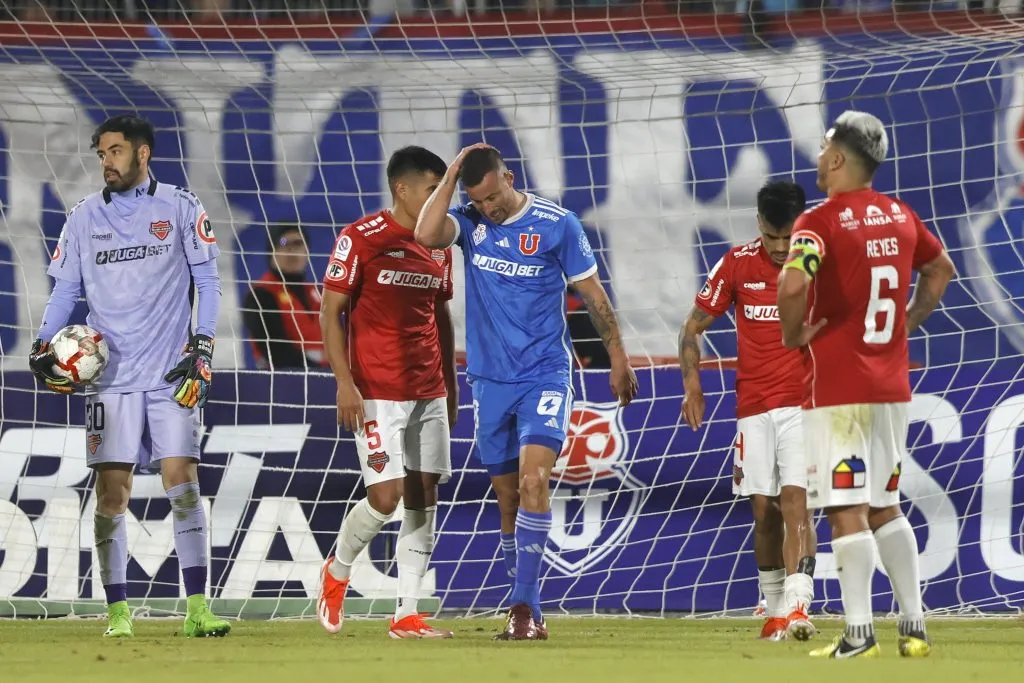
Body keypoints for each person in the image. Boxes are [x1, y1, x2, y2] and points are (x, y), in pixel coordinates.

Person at [414, 144, 639, 640]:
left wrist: (618, 358)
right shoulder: (471, 223)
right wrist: (452, 173)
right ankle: (523, 601)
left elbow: (594, 296)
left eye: (494, 196)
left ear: (509, 177)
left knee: (535, 479)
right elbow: (425, 234)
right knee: (509, 499)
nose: (490, 207)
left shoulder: (559, 225)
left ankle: (525, 609)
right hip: (490, 381)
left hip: (545, 374)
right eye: (481, 199)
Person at [29, 114, 230, 638]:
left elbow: (208, 282)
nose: (106, 162)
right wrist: (41, 343)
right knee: (111, 495)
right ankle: (117, 612)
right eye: (100, 154)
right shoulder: (82, 218)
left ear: (143, 154)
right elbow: (65, 292)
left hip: (170, 372)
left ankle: (198, 608)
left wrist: (202, 348)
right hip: (108, 379)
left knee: (182, 482)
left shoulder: (182, 208)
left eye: (115, 152)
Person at [777, 110, 955, 658]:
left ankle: (858, 633)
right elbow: (941, 267)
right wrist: (906, 322)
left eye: (825, 146)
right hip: (891, 384)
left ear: (837, 158)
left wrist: (792, 333)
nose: (819, 157)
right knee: (885, 504)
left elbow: (791, 282)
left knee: (844, 507)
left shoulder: (819, 222)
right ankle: (915, 627)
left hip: (838, 390)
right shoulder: (900, 215)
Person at [316, 146, 458, 639]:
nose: (440, 198)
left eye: (445, 190)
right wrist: (343, 382)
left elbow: (440, 318)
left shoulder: (440, 246)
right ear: (403, 189)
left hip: (429, 389)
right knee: (385, 497)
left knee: (423, 497)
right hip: (376, 391)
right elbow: (330, 312)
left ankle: (406, 613)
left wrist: (451, 388)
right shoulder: (361, 238)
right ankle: (336, 570)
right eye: (431, 189)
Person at [679, 180, 817, 642]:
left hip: (805, 403)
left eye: (789, 237)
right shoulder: (736, 264)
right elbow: (692, 328)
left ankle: (798, 607)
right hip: (752, 407)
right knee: (765, 512)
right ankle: (773, 609)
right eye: (773, 237)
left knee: (797, 502)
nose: (781, 248)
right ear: (759, 223)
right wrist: (692, 385)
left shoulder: (820, 265)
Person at [243, 224, 327, 370]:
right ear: (272, 251)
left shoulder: (318, 292)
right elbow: (275, 351)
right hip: (282, 381)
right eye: (284, 243)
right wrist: (320, 368)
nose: (292, 250)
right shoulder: (261, 294)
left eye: (298, 243)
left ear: (307, 251)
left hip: (324, 380)